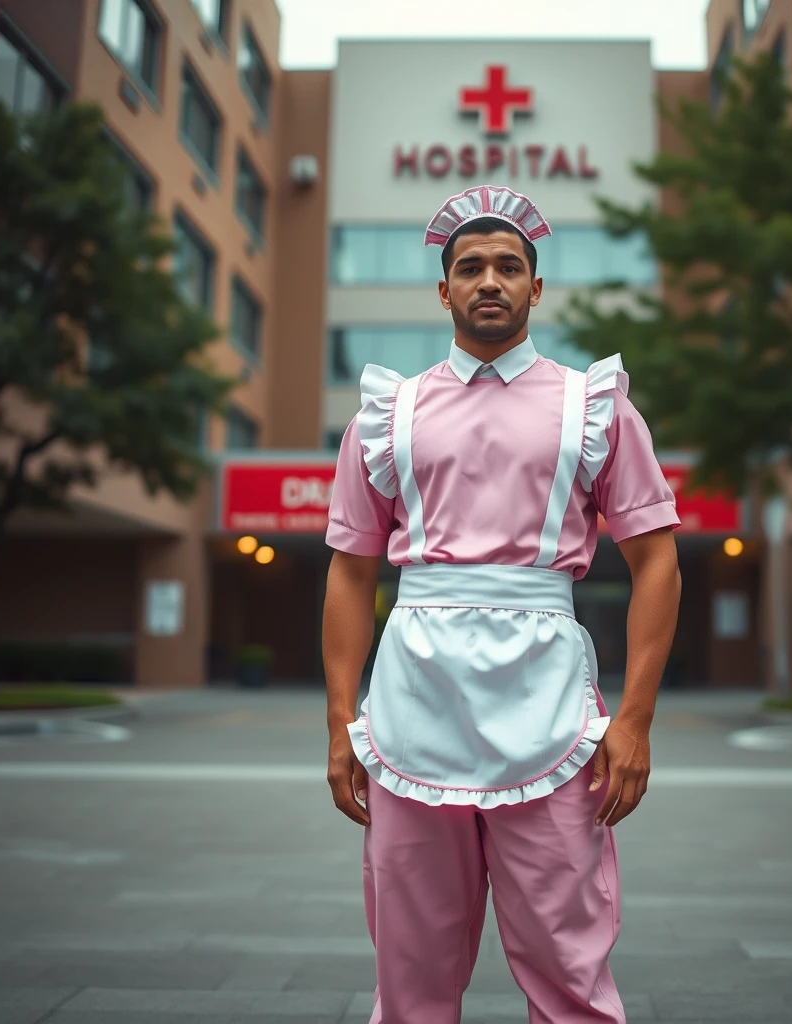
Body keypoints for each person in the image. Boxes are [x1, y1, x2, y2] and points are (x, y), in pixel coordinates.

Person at [322, 184, 682, 1023]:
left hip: (551, 705)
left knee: (570, 970)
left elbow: (656, 561)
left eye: (510, 266)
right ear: (443, 289)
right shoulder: (385, 414)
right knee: (410, 975)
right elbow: (348, 570)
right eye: (472, 266)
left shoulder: (595, 406)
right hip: (413, 705)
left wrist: (634, 721)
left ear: (537, 288)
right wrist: (342, 723)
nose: (492, 280)